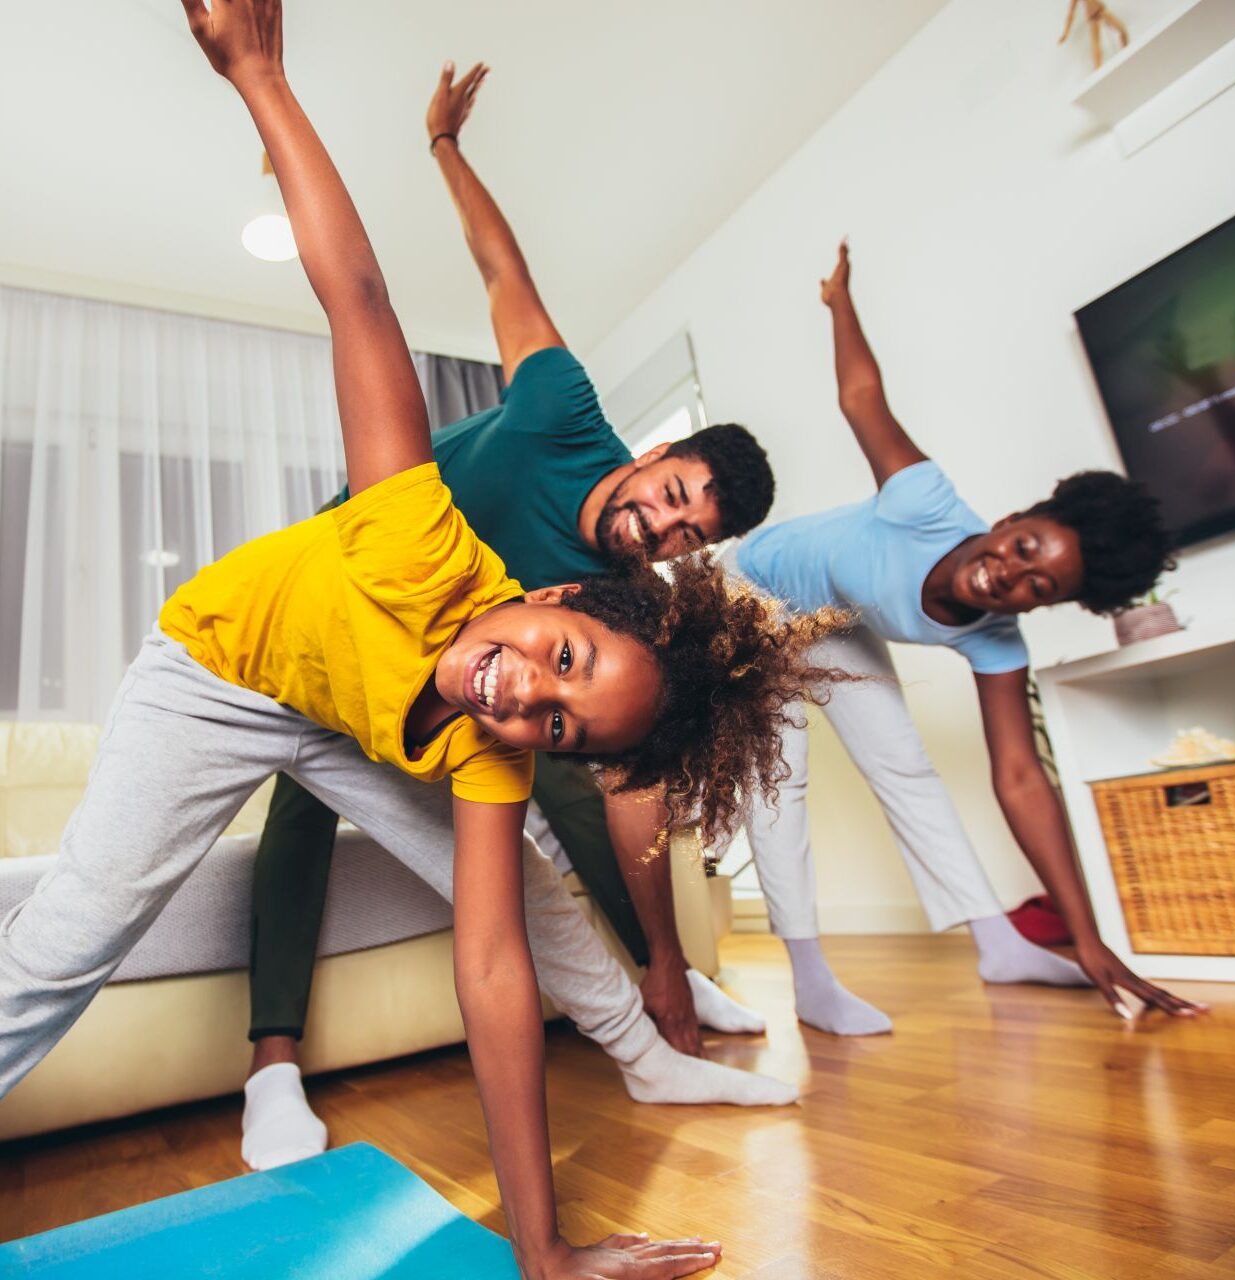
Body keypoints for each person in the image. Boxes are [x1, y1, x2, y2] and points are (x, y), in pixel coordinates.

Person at [0, 8, 843, 1275]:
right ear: (543, 597)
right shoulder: (433, 529)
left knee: (538, 896)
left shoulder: (511, 724)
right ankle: (266, 1066)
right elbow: (359, 291)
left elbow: (493, 966)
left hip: (362, 706)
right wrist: (260, 77)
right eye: (552, 660)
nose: (523, 695)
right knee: (78, 932)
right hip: (222, 675)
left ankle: (649, 1059)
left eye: (557, 717)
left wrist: (541, 1248)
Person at [241, 62, 776, 1169]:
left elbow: (635, 792)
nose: (663, 529)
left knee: (576, 771)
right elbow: (500, 268)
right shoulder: (560, 406)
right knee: (299, 789)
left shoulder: (619, 603)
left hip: (471, 661)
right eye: (670, 496)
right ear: (653, 455)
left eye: (689, 536)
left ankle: (657, 987)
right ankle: (272, 1064)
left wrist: (669, 957)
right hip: (360, 572)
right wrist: (444, 146)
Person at [730, 240, 1208, 1035]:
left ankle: (999, 942)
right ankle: (811, 981)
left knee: (908, 769)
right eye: (1022, 549)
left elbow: (1020, 778)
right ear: (1016, 519)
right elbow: (860, 396)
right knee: (782, 777)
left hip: (832, 621)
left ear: (1049, 604)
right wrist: (838, 301)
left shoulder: (997, 641)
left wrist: (1087, 940)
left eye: (1038, 586)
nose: (1007, 578)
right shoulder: (926, 503)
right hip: (749, 590)